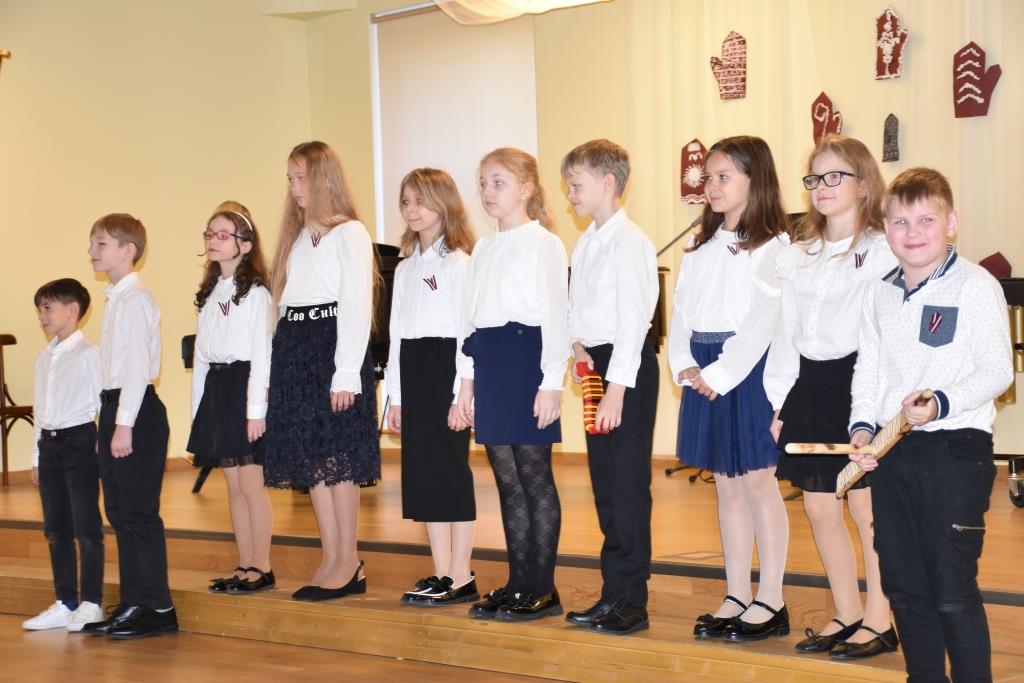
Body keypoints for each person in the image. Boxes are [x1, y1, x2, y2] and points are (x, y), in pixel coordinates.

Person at [848, 168, 1011, 679]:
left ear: (951, 223)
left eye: (926, 220)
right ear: (885, 228)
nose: (912, 232)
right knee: (904, 586)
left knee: (950, 586)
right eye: (900, 222)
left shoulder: (976, 286)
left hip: (955, 451)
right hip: (893, 453)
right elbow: (868, 370)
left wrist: (941, 402)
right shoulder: (878, 293)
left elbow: (998, 371)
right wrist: (862, 428)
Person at [764, 135, 898, 656]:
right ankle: (846, 611)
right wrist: (781, 401)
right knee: (820, 508)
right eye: (815, 178)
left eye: (834, 176)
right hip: (811, 384)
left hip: (861, 384)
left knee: (866, 511)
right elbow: (786, 333)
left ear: (863, 184)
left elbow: (888, 331)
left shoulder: (884, 248)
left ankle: (880, 619)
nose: (822, 186)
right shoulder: (799, 255)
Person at [668, 135, 790, 642]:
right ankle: (737, 592)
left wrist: (719, 374)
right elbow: (681, 311)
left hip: (746, 371)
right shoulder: (700, 247)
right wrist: (682, 363)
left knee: (759, 484)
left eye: (723, 177)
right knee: (726, 485)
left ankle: (772, 597)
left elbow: (763, 321)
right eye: (709, 178)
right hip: (704, 368)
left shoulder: (774, 248)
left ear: (754, 181)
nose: (711, 186)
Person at [263, 141, 381, 602]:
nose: (294, 187)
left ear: (325, 179)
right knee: (313, 460)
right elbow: (283, 304)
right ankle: (330, 556)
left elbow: (355, 303)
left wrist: (346, 372)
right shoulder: (296, 237)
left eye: (302, 178)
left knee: (338, 458)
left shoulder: (349, 232)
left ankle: (349, 560)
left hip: (330, 345)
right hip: (295, 347)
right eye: (290, 178)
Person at [458, 147, 569, 621]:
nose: (488, 192)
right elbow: (469, 320)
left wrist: (551, 382)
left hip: (527, 359)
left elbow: (557, 317)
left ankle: (543, 587)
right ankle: (518, 580)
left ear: (526, 188)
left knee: (533, 476)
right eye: (483, 183)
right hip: (491, 360)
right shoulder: (483, 247)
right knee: (507, 481)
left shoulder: (544, 243)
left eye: (498, 182)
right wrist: (465, 384)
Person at [561, 139, 659, 635]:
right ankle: (612, 591)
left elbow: (634, 323)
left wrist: (617, 391)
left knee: (627, 486)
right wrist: (577, 348)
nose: (570, 195)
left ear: (607, 183)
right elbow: (577, 308)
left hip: (627, 369)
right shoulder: (587, 242)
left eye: (576, 185)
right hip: (598, 365)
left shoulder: (631, 242)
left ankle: (633, 600)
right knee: (604, 485)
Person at [386, 168, 479, 606]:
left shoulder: (460, 263)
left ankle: (461, 573)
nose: (412, 209)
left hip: (447, 369)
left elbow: (466, 332)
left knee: (451, 473)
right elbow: (396, 335)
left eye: (421, 200)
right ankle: (441, 571)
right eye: (406, 201)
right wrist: (395, 397)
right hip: (414, 368)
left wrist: (463, 393)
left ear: (444, 204)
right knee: (424, 475)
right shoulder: (405, 269)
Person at [82, 213, 176, 639]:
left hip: (134, 412)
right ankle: (134, 601)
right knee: (120, 512)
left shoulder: (136, 298)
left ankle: (158, 607)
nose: (92, 251)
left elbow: (137, 369)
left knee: (138, 511)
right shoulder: (116, 298)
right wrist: (105, 423)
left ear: (128, 250)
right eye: (92, 243)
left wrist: (124, 424)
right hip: (116, 409)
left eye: (100, 244)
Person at [188, 203, 275, 595]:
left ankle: (262, 566)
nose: (213, 240)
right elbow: (201, 358)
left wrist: (256, 411)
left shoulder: (256, 294)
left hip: (244, 385)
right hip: (218, 388)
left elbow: (262, 355)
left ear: (245, 244)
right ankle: (244, 564)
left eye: (223, 235)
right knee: (233, 486)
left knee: (251, 483)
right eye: (209, 234)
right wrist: (197, 414)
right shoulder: (210, 294)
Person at [22, 279, 104, 632]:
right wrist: (37, 456)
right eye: (39, 309)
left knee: (86, 527)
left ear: (73, 310)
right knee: (56, 529)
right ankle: (66, 602)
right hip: (50, 446)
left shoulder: (89, 354)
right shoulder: (43, 358)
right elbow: (41, 410)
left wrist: (101, 444)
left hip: (80, 442)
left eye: (47, 308)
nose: (42, 316)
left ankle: (91, 602)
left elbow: (102, 402)